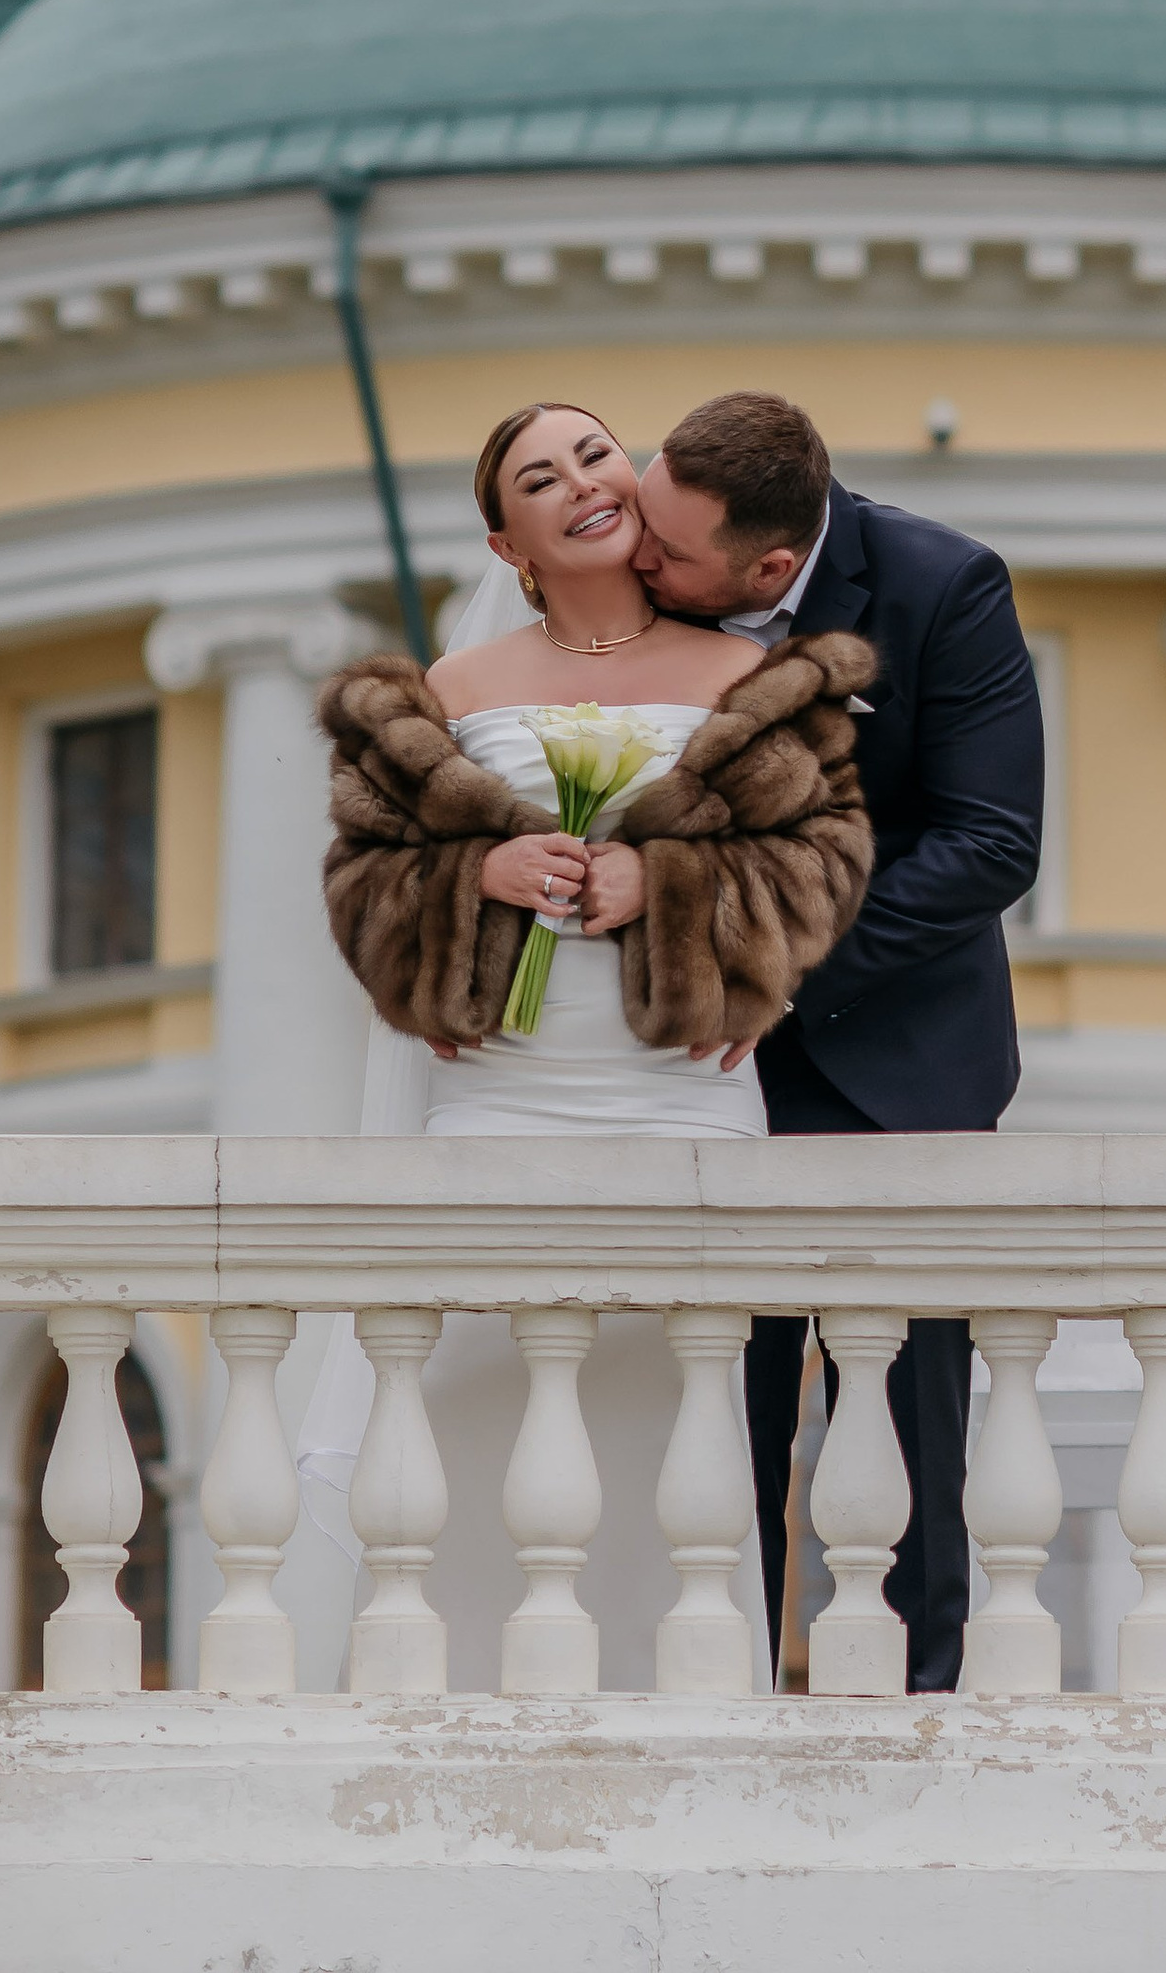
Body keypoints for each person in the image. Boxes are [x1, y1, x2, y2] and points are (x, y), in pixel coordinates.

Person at [299, 399, 873, 1688]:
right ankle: (457, 1715)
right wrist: (478, 874)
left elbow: (824, 865)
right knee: (468, 1422)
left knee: (685, 1426)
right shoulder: (444, 698)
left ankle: (686, 1712)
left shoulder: (753, 683)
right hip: (501, 1094)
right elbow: (364, 888)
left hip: (683, 1093)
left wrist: (668, 897)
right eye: (540, 478)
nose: (580, 483)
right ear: (510, 545)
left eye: (596, 454)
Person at [632, 390, 1045, 1694]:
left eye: (672, 554)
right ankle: (720, 1693)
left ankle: (922, 1708)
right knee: (710, 1410)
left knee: (911, 1413)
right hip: (684, 1071)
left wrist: (780, 972)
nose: (641, 564)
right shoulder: (644, 583)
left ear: (769, 566)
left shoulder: (943, 586)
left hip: (897, 1061)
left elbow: (989, 842)